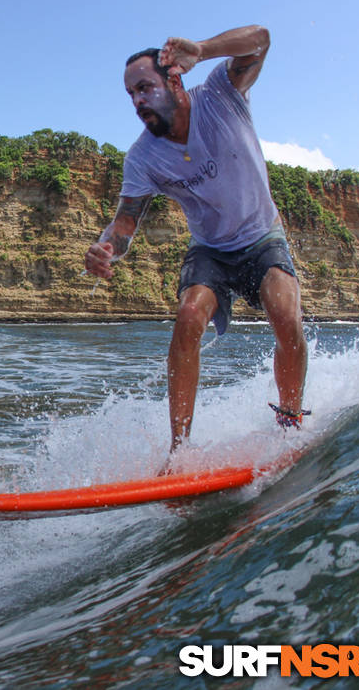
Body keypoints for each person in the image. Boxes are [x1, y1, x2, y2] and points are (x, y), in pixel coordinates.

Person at [83, 24, 309, 462]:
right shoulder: (143, 157)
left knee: (285, 315)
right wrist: (107, 247)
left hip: (262, 236)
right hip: (211, 249)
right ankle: (180, 453)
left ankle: (290, 426)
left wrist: (203, 50)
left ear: (174, 79)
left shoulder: (221, 95)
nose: (138, 101)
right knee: (188, 317)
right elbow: (125, 223)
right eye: (131, 94)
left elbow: (261, 39)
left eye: (144, 87)